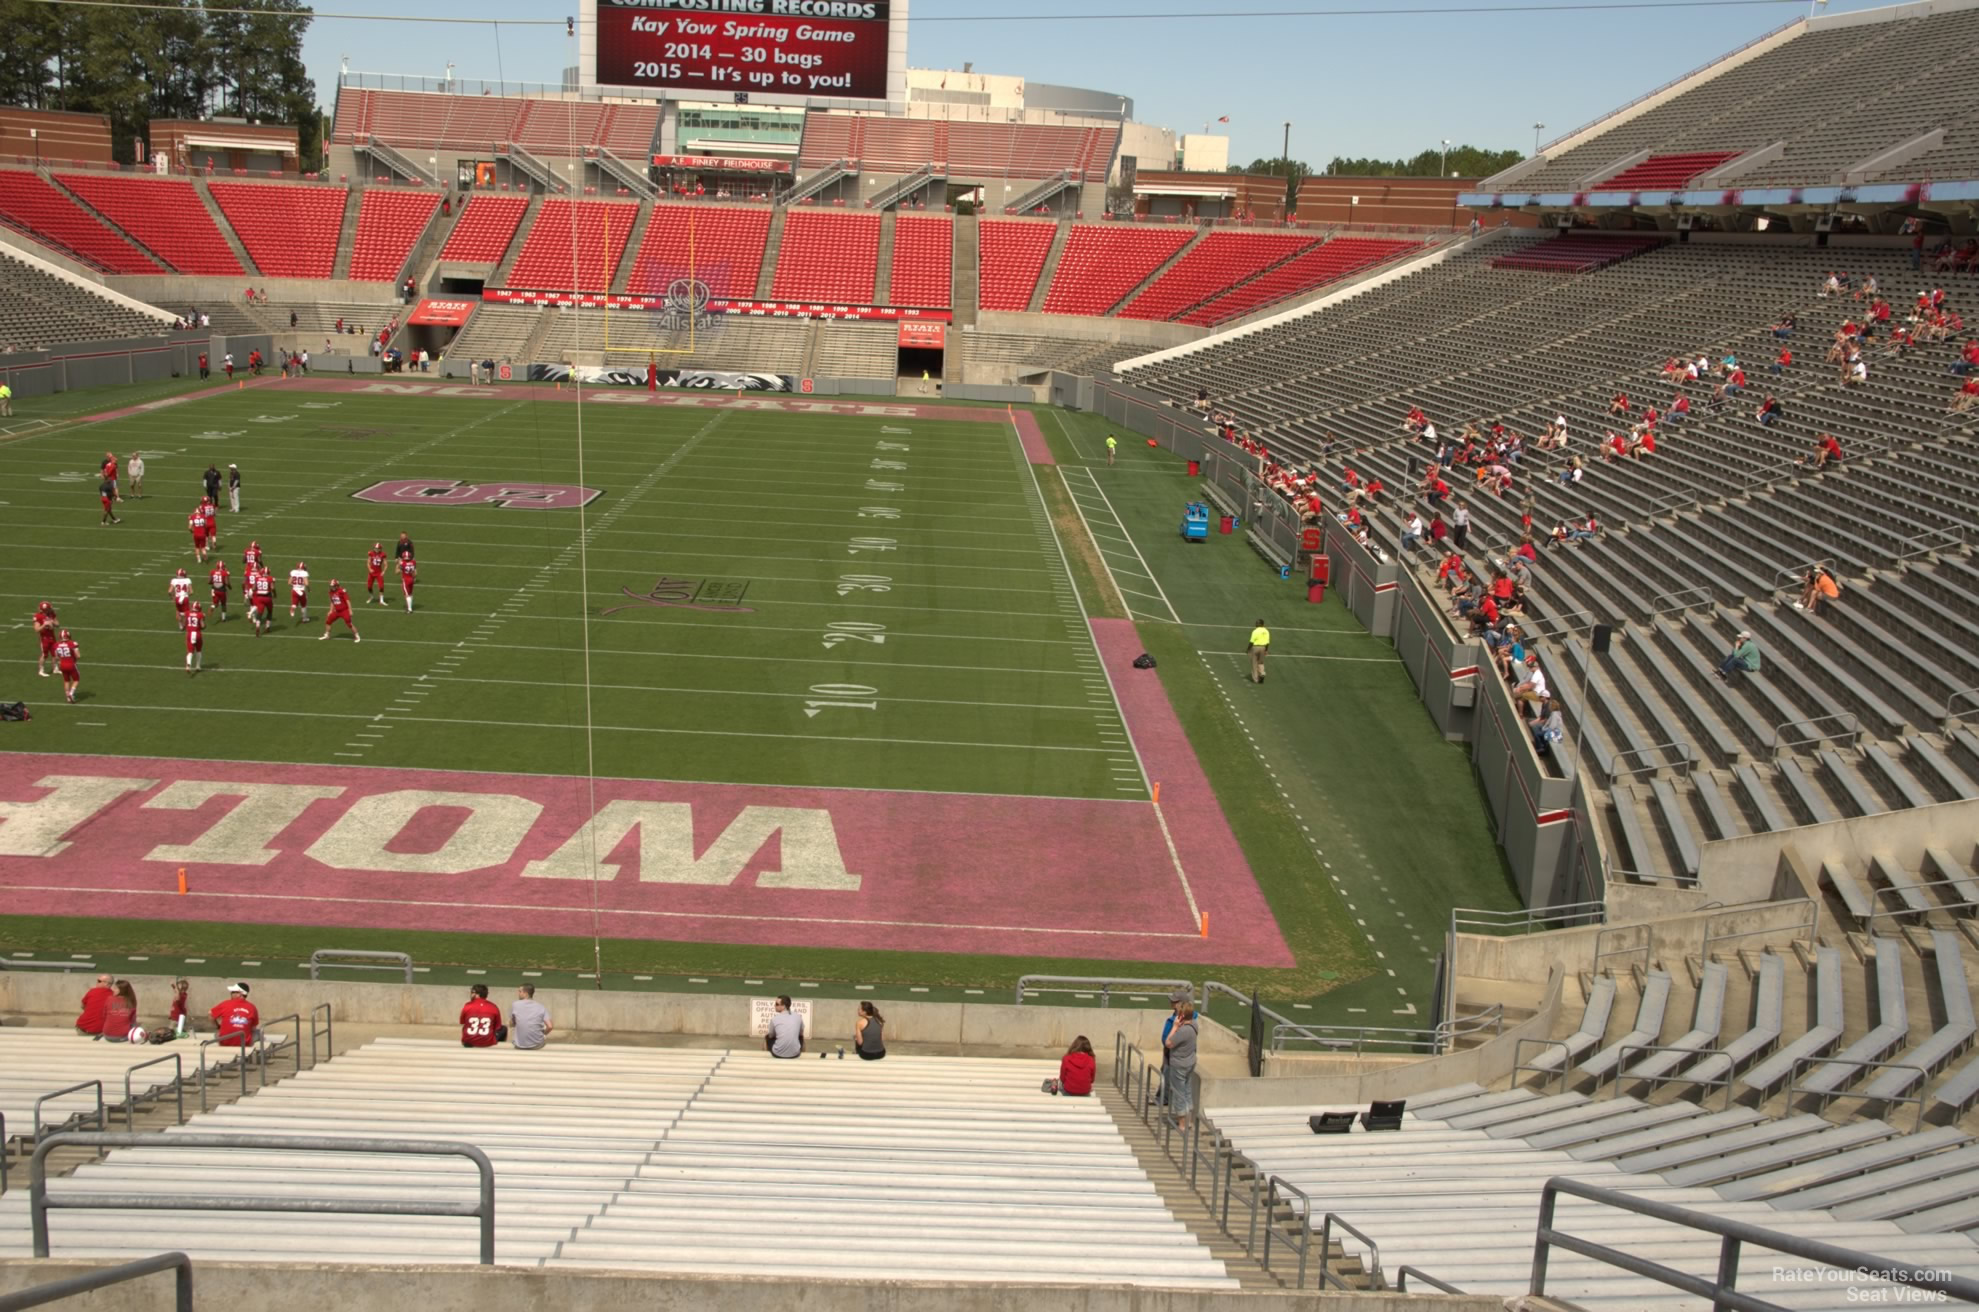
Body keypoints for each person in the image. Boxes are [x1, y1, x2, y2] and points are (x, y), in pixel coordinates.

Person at [1164, 1002, 1198, 1132]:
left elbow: (1168, 1043)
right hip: (1190, 1063)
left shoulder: (1183, 1031)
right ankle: (1189, 1121)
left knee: (1179, 1093)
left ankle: (1182, 1123)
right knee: (1187, 1091)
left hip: (1179, 1065)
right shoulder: (1195, 1024)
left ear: (1182, 1015)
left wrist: (1174, 1026)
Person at [210, 981, 259, 1047]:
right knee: (258, 1033)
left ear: (240, 994)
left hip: (224, 1042)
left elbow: (210, 1014)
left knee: (217, 1033)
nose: (231, 994)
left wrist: (218, 1026)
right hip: (243, 1043)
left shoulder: (225, 1004)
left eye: (233, 992)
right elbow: (253, 1027)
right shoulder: (252, 1007)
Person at [509, 984, 551, 1050]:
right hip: (537, 1044)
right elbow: (550, 1026)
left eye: (520, 991)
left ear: (525, 993)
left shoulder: (515, 1004)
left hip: (519, 1045)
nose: (518, 993)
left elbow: (512, 1023)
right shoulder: (541, 1007)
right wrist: (544, 1034)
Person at [460, 983, 502, 1048]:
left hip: (469, 1041)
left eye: (472, 992)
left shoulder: (467, 1005)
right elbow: (497, 1027)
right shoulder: (493, 1007)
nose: (470, 994)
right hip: (487, 1042)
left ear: (476, 994)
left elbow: (463, 1022)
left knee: (465, 1026)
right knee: (503, 1029)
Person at [33, 600, 60, 678]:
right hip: (44, 638)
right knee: (44, 655)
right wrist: (44, 625)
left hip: (52, 636)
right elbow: (36, 629)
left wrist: (52, 622)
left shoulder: (51, 614)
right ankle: (41, 670)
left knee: (55, 654)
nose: (51, 608)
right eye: (49, 607)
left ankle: (55, 668)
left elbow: (58, 624)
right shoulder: (38, 616)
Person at [54, 628, 80, 702]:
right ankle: (71, 694)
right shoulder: (72, 643)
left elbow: (56, 657)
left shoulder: (56, 645)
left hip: (62, 665)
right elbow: (78, 656)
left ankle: (68, 697)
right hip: (71, 664)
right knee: (76, 679)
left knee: (66, 680)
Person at [184, 600, 206, 676]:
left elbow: (185, 624)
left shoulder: (187, 613)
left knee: (190, 651)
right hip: (197, 634)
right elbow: (203, 626)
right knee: (198, 650)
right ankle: (198, 666)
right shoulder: (200, 615)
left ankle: (188, 665)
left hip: (190, 634)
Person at [1246, 618, 1270, 685]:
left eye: (1256, 623)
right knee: (1261, 662)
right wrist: (1266, 650)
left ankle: (1256, 679)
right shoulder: (1266, 631)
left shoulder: (1255, 631)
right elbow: (1268, 642)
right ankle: (1262, 673)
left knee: (1254, 663)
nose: (1255, 624)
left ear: (1259, 624)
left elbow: (1251, 641)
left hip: (1255, 647)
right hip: (1263, 647)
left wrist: (1248, 649)